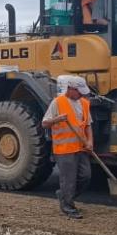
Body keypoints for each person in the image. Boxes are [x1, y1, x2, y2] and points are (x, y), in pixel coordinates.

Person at [42, 75, 93, 219]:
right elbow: (44, 123)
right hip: (64, 149)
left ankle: (64, 196)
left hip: (80, 147)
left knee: (86, 176)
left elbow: (88, 125)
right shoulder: (57, 103)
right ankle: (68, 207)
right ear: (71, 89)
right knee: (68, 180)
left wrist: (90, 142)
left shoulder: (84, 103)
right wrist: (57, 119)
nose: (81, 94)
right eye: (79, 91)